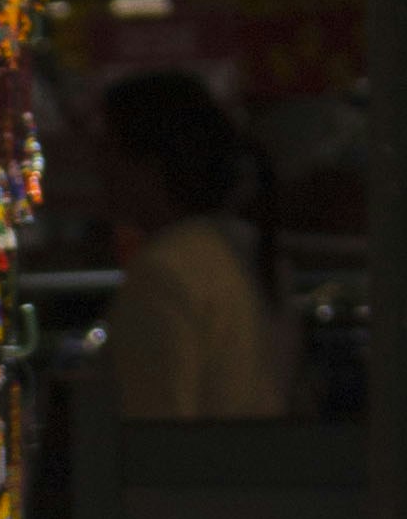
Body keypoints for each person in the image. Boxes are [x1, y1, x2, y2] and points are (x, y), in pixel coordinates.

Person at [96, 63, 296, 423]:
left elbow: (155, 434)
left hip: (201, 472)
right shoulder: (240, 248)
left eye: (107, 148)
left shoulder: (164, 272)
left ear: (149, 163)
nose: (99, 168)